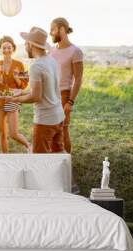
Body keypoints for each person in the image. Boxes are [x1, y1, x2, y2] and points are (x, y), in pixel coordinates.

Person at [5, 27, 65, 153]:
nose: (25, 46)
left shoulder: (36, 66)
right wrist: (21, 92)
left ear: (31, 44)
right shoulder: (51, 60)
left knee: (40, 160)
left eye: (26, 43)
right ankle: (65, 173)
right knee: (58, 154)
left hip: (45, 121)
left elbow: (35, 96)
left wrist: (14, 99)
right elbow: (39, 87)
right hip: (58, 116)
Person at [0, 36, 31, 153]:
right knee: (2, 133)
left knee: (13, 133)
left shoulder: (19, 64)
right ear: (0, 49)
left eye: (9, 47)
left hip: (12, 99)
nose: (6, 50)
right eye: (4, 48)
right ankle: (5, 157)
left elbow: (24, 85)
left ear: (13, 49)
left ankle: (29, 146)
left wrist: (16, 78)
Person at [49, 17, 84, 154]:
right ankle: (54, 162)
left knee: (63, 130)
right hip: (50, 94)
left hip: (64, 95)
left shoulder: (75, 51)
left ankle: (67, 163)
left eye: (53, 29)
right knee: (50, 130)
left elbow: (79, 79)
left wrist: (70, 101)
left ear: (62, 29)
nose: (50, 32)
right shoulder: (51, 50)